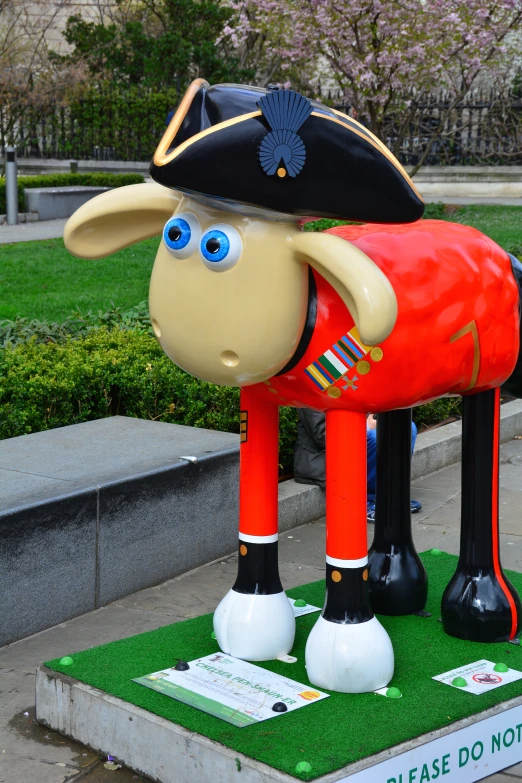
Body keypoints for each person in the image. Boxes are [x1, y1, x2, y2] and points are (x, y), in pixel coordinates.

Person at [293, 409, 422, 522]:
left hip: (353, 441)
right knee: (375, 437)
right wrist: (366, 425)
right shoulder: (312, 390)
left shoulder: (348, 384)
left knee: (408, 427)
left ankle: (392, 494)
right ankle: (368, 501)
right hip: (325, 456)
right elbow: (324, 436)